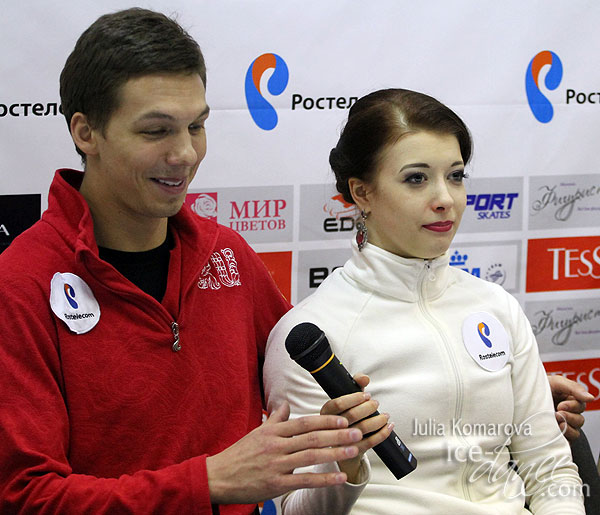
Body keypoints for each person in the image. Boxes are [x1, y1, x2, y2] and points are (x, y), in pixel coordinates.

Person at [0, 9, 391, 514]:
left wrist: (335, 432)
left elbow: (292, 418)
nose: (185, 153)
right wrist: (205, 482)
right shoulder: (21, 284)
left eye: (197, 126)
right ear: (86, 133)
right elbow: (25, 498)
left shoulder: (227, 255)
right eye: (155, 131)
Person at [264, 88, 587, 513]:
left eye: (455, 175)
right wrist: (347, 460)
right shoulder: (310, 335)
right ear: (362, 193)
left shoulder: (496, 306)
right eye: (416, 178)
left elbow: (549, 468)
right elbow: (296, 508)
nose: (445, 199)